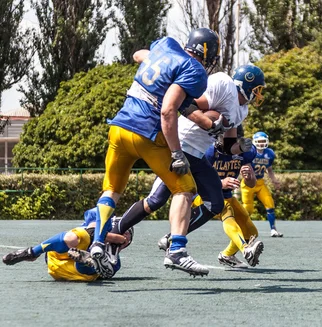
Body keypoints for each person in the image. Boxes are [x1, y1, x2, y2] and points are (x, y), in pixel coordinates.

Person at [88, 27, 223, 277]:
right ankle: (177, 251)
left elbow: (138, 55)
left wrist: (151, 59)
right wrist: (176, 153)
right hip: (146, 133)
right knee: (185, 188)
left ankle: (98, 242)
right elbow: (168, 110)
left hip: (119, 127)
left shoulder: (166, 46)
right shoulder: (193, 71)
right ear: (207, 53)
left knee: (112, 191)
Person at [113, 64, 266, 265]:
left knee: (215, 202)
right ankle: (117, 228)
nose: (258, 94)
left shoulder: (242, 110)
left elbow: (226, 147)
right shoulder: (224, 84)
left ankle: (174, 239)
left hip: (197, 154)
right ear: (245, 84)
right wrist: (209, 121)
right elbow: (187, 104)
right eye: (257, 89)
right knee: (156, 201)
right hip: (181, 145)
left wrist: (240, 147)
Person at [2, 209, 133, 281]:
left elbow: (107, 273)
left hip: (65, 271)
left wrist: (113, 248)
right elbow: (93, 229)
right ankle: (32, 253)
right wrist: (113, 237)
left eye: (129, 238)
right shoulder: (103, 222)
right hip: (55, 254)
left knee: (94, 272)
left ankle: (85, 260)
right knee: (73, 238)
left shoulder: (116, 262)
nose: (126, 237)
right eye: (126, 232)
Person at [205, 133, 264, 268]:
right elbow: (197, 180)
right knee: (226, 212)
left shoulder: (245, 153)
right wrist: (220, 183)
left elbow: (251, 184)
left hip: (226, 195)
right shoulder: (209, 151)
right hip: (205, 195)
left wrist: (248, 177)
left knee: (251, 232)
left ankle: (227, 255)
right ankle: (246, 250)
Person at [241, 131, 283, 237]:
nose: (261, 143)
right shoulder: (249, 152)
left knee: (270, 204)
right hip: (247, 183)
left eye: (263, 141)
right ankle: (242, 229)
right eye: (259, 141)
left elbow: (269, 169)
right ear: (254, 142)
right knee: (248, 209)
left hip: (260, 183)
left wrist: (274, 180)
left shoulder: (270, 153)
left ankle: (273, 229)